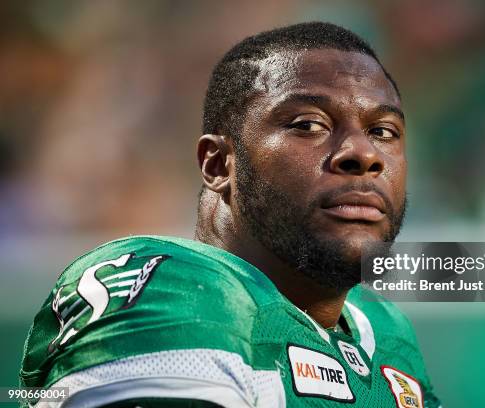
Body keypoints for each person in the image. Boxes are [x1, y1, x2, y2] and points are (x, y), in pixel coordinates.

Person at [20, 22, 441, 408]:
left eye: (384, 132)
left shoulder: (386, 332)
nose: (364, 155)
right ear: (219, 164)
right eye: (309, 124)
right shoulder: (178, 289)